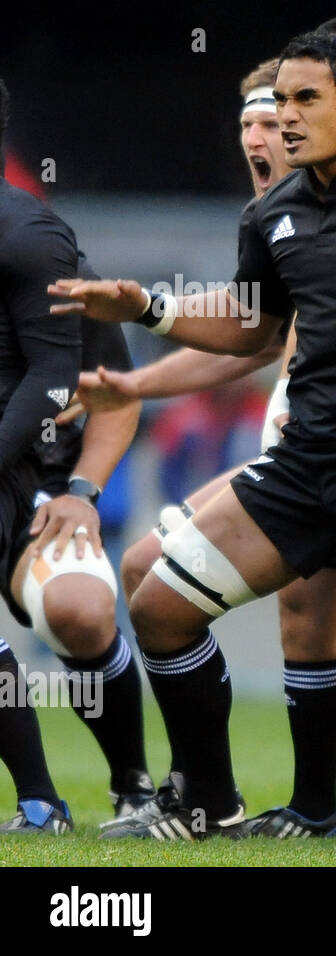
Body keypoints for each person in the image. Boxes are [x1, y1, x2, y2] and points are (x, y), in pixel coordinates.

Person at [51, 32, 336, 843]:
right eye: (279, 103)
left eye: (305, 101)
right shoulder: (276, 209)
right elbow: (256, 329)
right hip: (306, 457)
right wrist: (148, 311)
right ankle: (211, 804)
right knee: (158, 602)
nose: (284, 119)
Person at [0, 75, 84, 834]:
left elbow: (57, 373)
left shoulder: (29, 231)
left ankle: (42, 800)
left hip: (16, 463)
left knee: (81, 615)